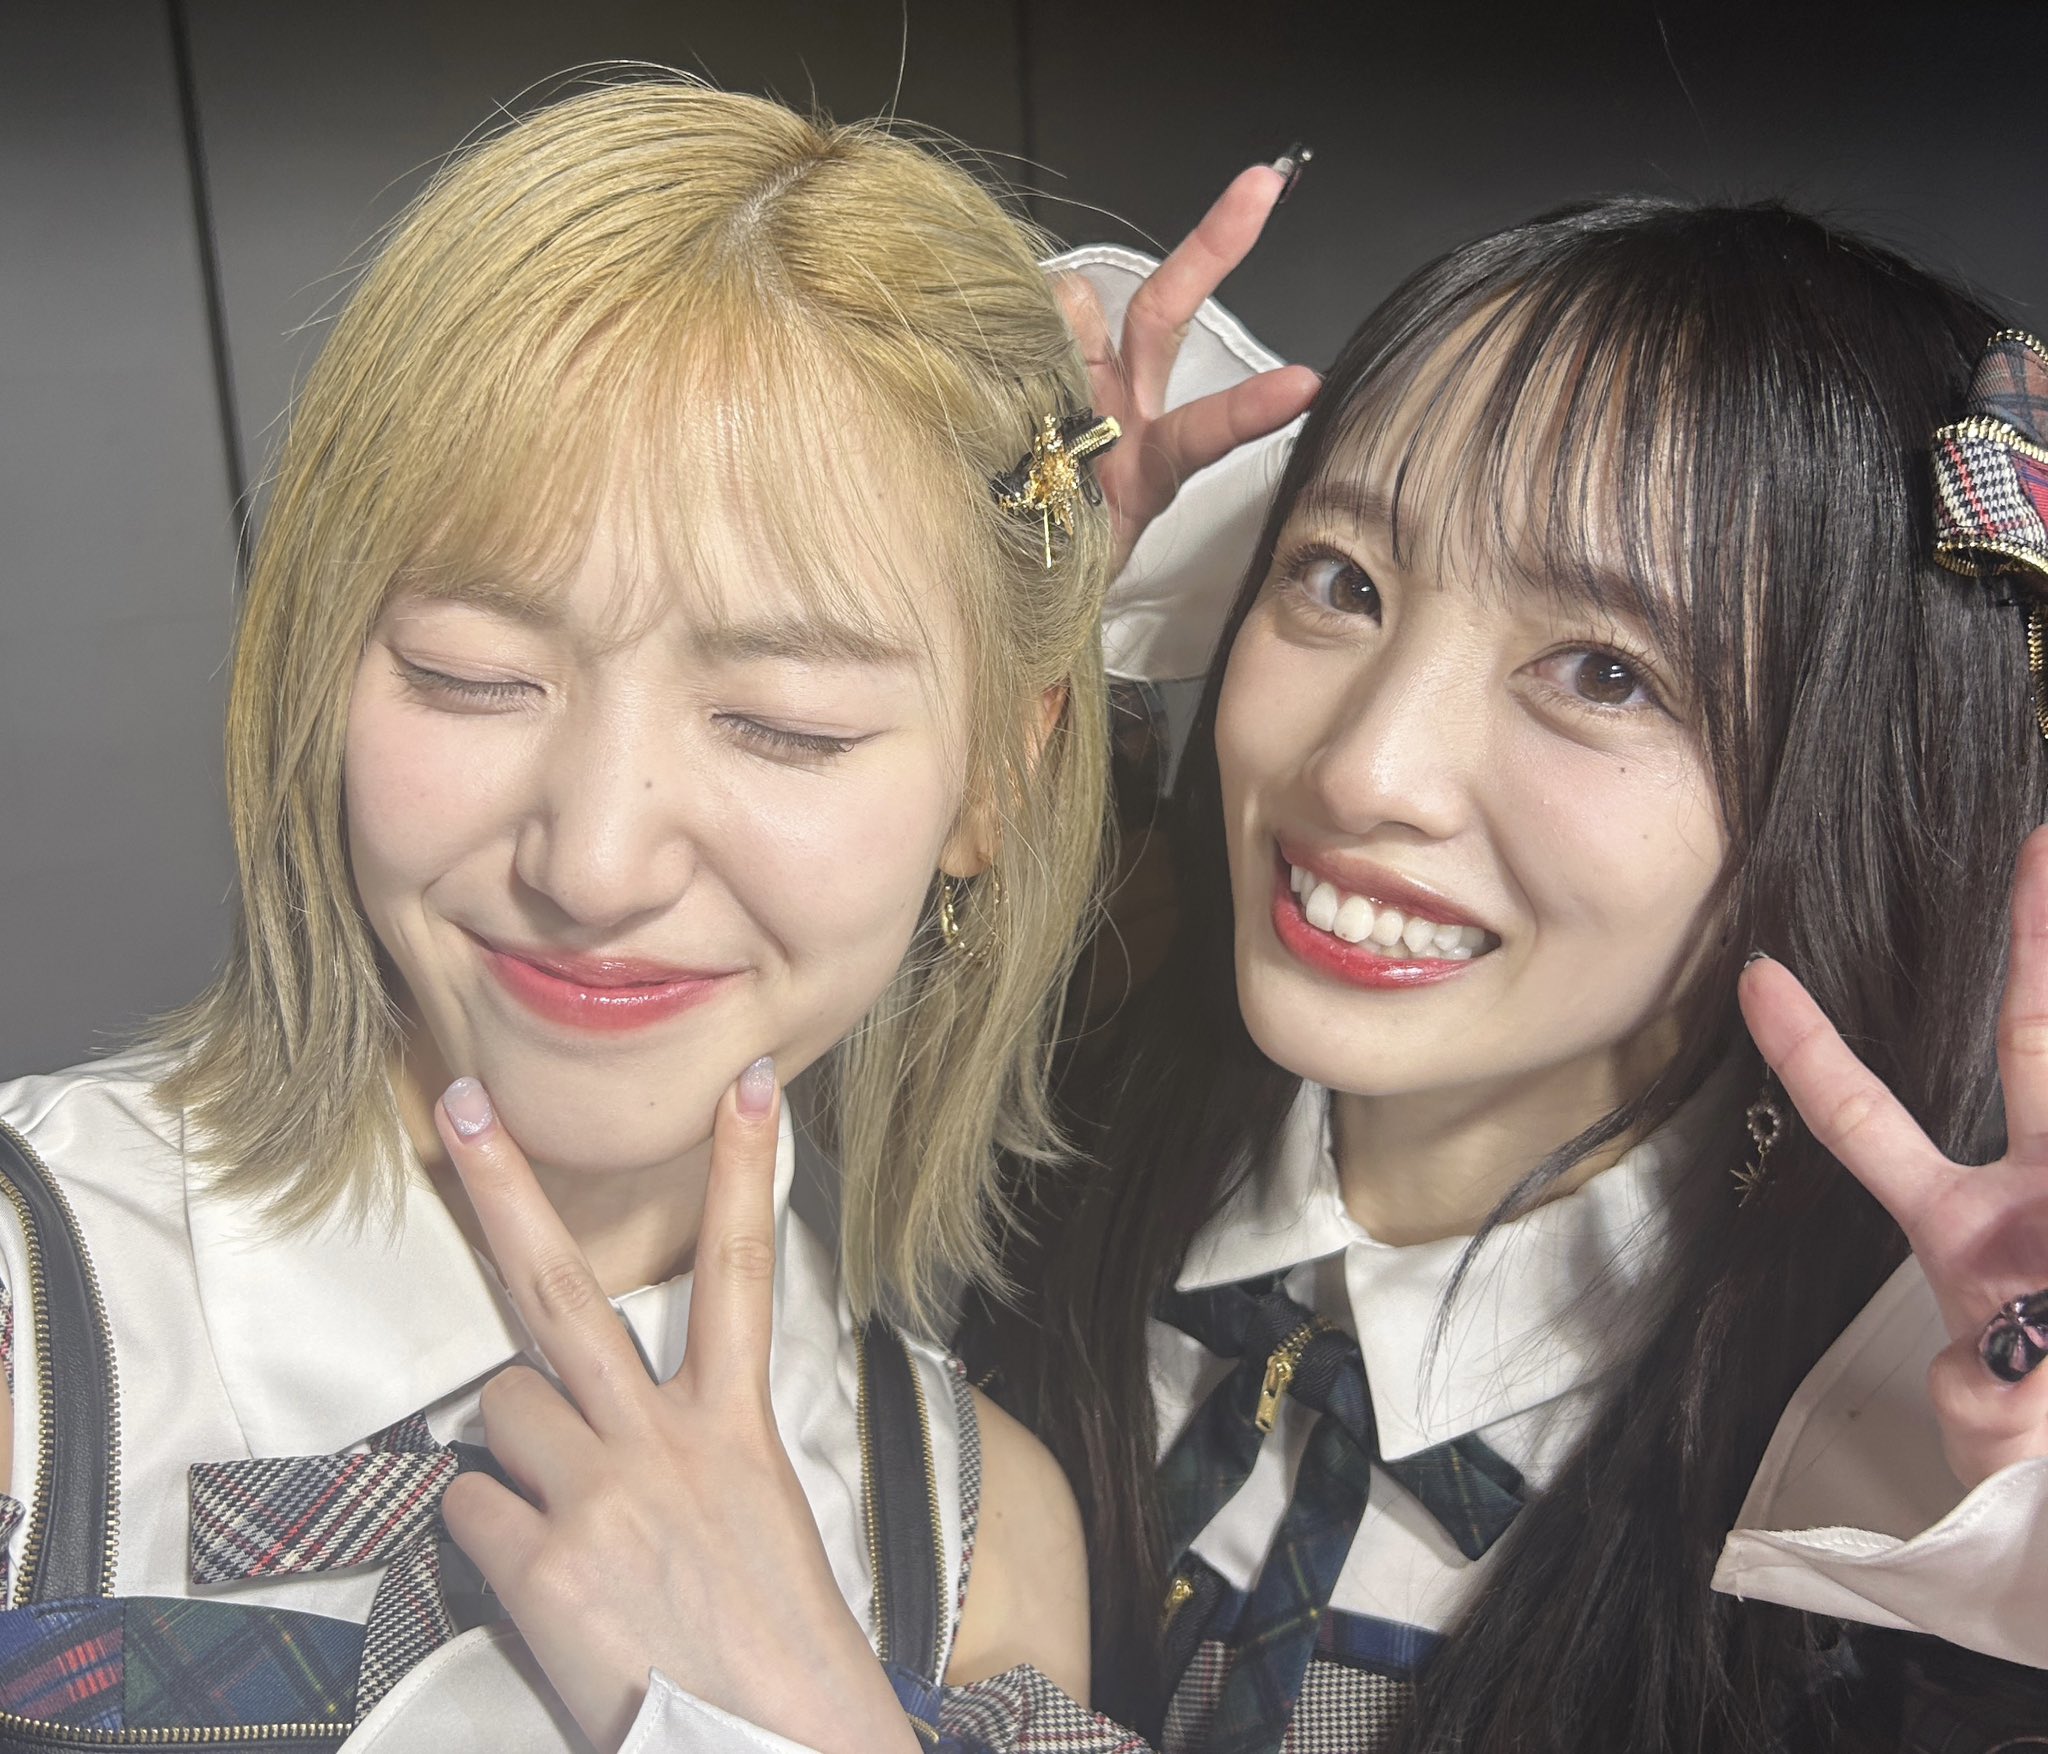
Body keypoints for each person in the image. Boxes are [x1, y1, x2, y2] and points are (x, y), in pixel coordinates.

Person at [0, 79, 1315, 1753]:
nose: (597, 860)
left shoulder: (979, 1543)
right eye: (470, 674)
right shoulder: (32, 1328)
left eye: (785, 723)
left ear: (997, 774)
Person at [961, 199, 2048, 1752]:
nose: (1363, 768)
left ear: (1850, 798)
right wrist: (973, 642)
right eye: (1340, 579)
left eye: (1605, 671)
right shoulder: (1025, 1111)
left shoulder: (1885, 1543)